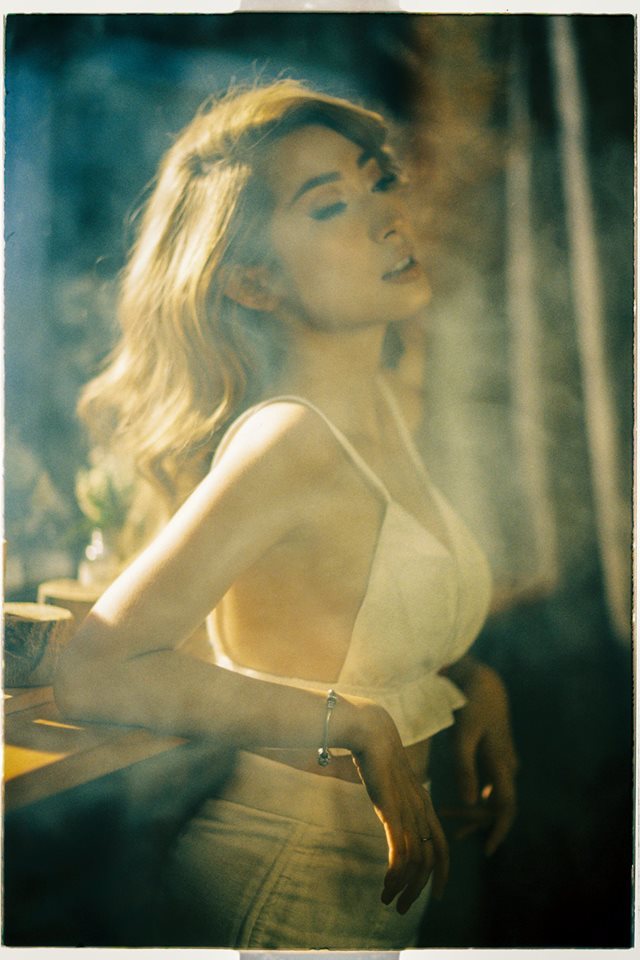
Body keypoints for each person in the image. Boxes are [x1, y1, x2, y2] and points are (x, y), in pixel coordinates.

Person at [54, 79, 517, 950]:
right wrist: (356, 727)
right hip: (282, 889)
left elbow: (353, 639)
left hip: (365, 897)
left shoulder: (383, 413)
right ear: (255, 281)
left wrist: (472, 684)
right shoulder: (288, 440)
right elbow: (96, 669)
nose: (387, 216)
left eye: (378, 181)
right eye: (330, 205)